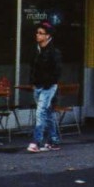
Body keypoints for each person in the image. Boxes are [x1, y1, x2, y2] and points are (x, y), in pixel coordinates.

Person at [27, 21, 63, 153]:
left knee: (40, 112)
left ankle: (36, 141)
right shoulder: (36, 50)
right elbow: (32, 67)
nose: (37, 35)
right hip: (38, 86)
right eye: (37, 32)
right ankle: (53, 141)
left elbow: (57, 71)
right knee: (47, 113)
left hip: (48, 87)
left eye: (41, 33)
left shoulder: (54, 52)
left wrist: (48, 83)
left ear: (48, 36)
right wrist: (32, 82)